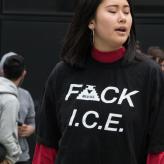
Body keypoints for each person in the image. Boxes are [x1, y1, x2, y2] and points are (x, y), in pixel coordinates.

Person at [33, 0, 164, 164]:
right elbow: (46, 147)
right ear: (91, 21)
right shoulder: (63, 73)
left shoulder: (149, 74)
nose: (122, 18)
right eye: (112, 11)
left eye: (126, 11)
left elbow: (158, 151)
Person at [0, 52, 36, 164]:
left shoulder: (25, 95)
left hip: (21, 157)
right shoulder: (11, 100)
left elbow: (32, 121)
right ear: (23, 73)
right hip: (7, 156)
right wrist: (13, 156)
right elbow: (5, 136)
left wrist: (30, 129)